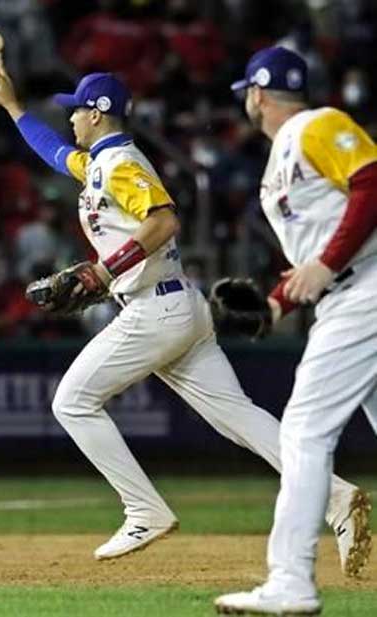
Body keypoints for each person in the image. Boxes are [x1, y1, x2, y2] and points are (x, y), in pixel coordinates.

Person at [0, 54, 369, 570]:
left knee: (72, 403)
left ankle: (143, 509)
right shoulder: (100, 162)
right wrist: (13, 108)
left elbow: (163, 221)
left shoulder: (121, 164)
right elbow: (54, 152)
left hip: (153, 310)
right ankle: (338, 498)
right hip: (174, 307)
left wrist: (102, 270)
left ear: (96, 113)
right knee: (243, 420)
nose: (69, 118)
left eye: (75, 110)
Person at [215, 47, 377, 616]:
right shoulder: (282, 160)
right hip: (347, 296)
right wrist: (275, 306)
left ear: (257, 93)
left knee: (304, 430)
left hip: (366, 292)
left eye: (247, 94)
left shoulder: (317, 124)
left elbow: (373, 183)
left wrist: (327, 266)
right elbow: (313, 260)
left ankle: (291, 582)